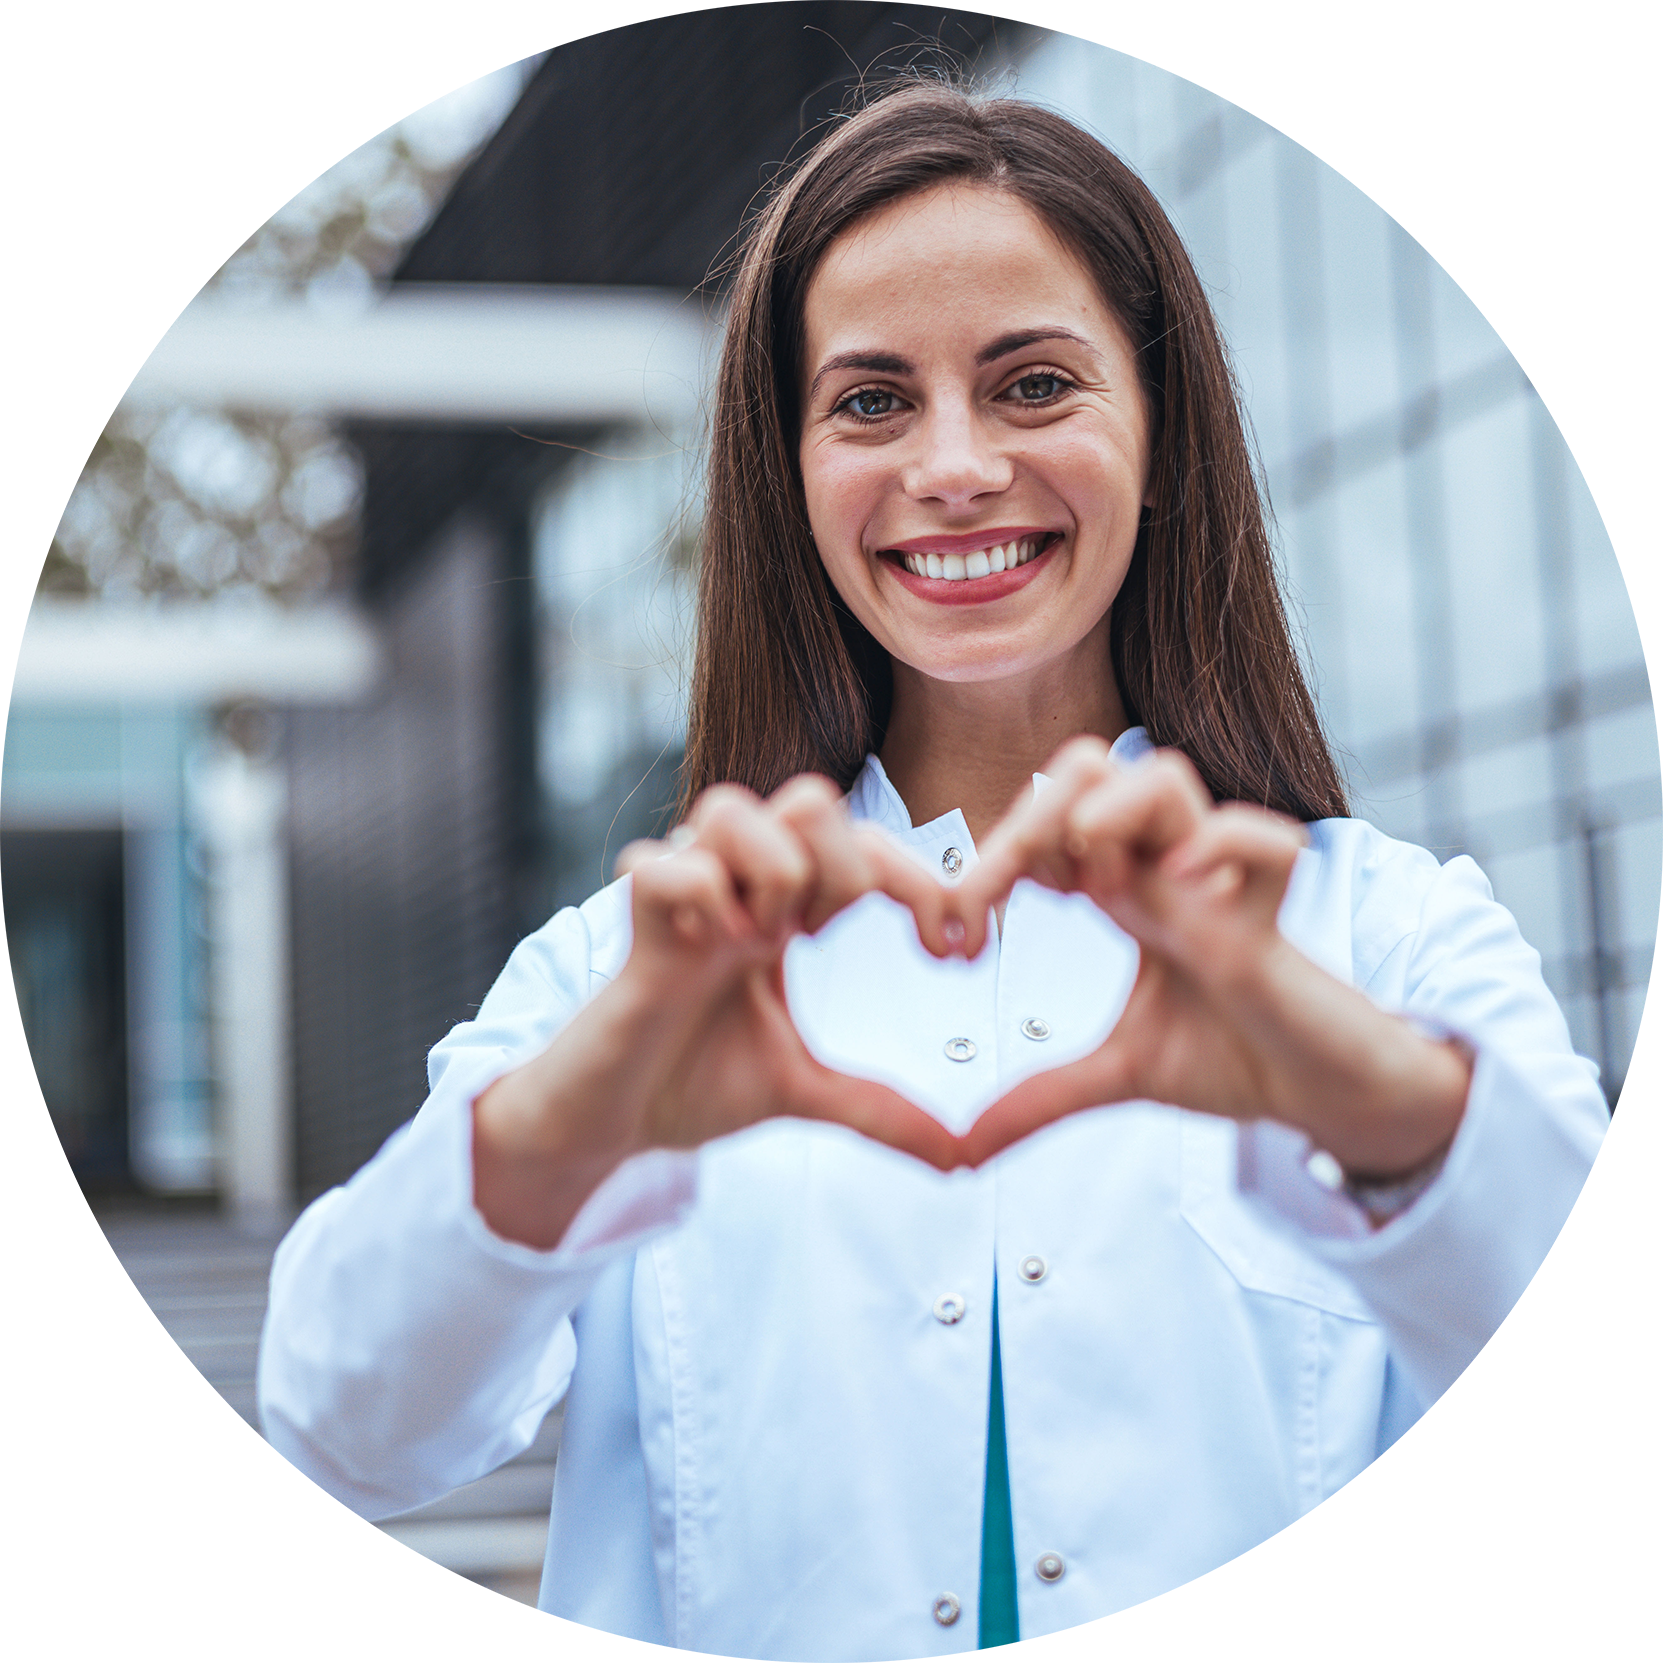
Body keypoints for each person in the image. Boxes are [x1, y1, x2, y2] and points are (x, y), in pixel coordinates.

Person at [257, 81, 1616, 1658]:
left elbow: (1606, 1400)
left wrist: (1363, 1097)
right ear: (792, 476)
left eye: (1032, 383)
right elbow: (333, 1419)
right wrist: (580, 1116)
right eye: (871, 402)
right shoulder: (623, 975)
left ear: (1160, 437)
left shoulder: (1382, 936)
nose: (953, 466)